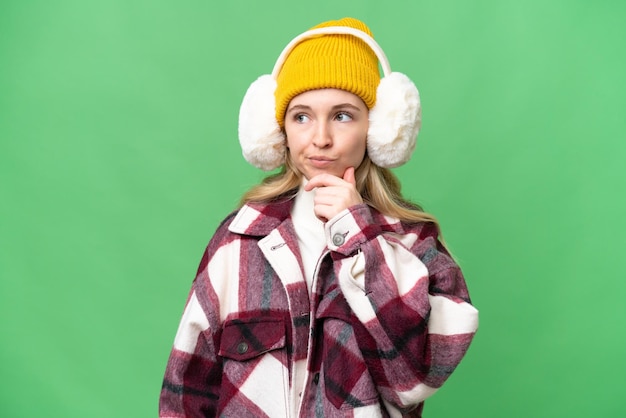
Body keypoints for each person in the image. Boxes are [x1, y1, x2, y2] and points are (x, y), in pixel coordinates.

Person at [159, 17, 478, 418]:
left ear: (377, 129)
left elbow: (411, 380)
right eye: (302, 116)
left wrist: (357, 234)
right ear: (279, 130)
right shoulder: (239, 240)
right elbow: (187, 391)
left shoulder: (413, 241)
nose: (321, 137)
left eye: (343, 115)